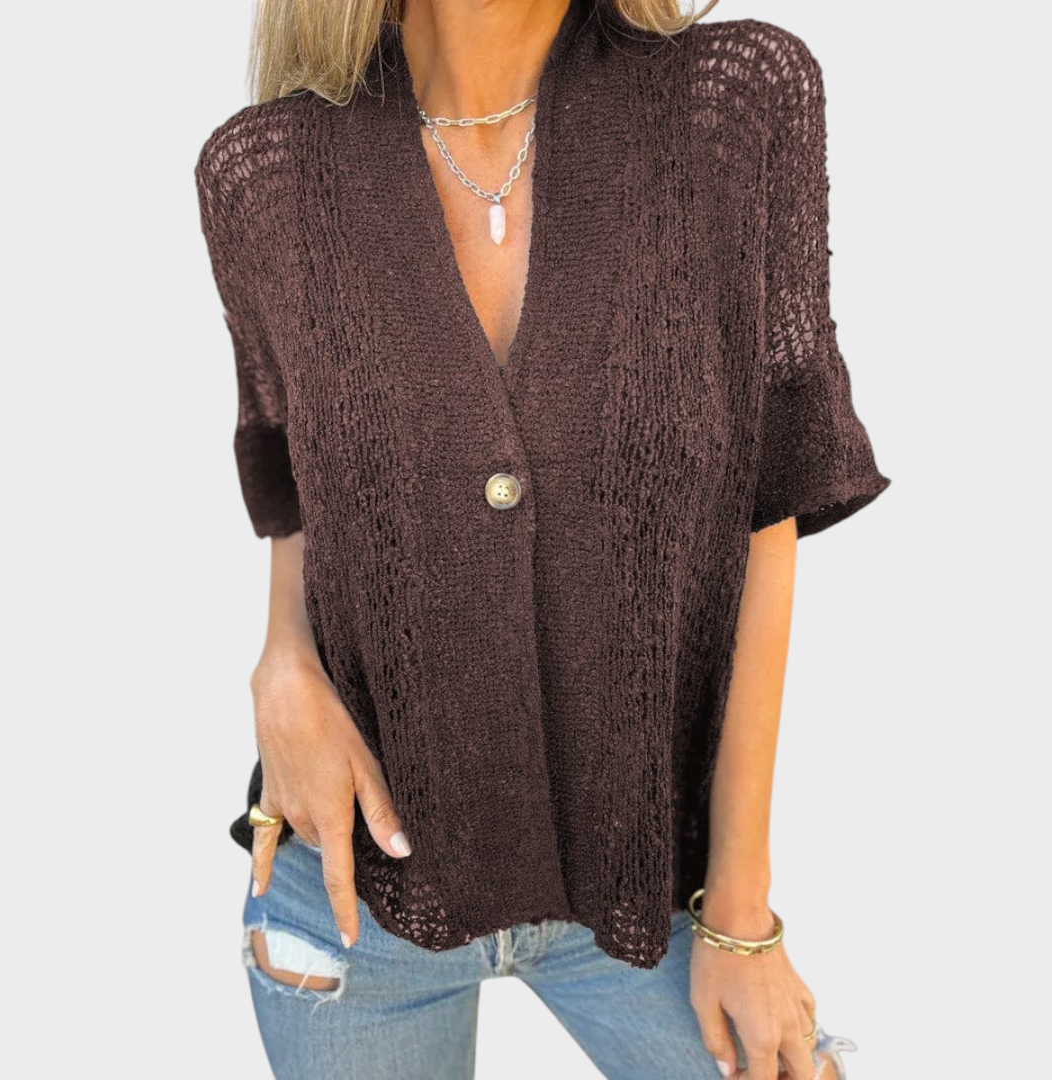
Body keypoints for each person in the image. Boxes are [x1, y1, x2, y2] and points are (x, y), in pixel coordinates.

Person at [193, 0, 890, 1077]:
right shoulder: (267, 173)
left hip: (656, 885)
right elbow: (299, 484)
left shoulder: (729, 105)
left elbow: (769, 502)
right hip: (351, 892)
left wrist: (741, 911)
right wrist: (282, 660)